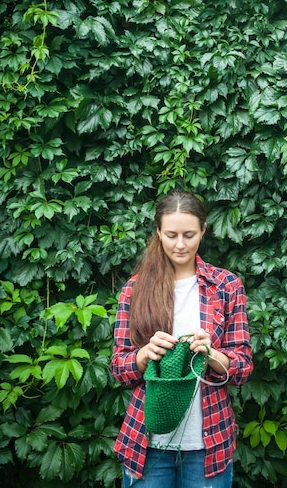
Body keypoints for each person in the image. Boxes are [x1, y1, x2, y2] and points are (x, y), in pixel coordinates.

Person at [111, 190, 253, 488]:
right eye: (171, 234)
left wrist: (211, 353)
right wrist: (144, 354)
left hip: (209, 443)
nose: (179, 244)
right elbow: (119, 368)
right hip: (147, 443)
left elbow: (242, 367)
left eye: (189, 234)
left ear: (203, 230)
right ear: (158, 233)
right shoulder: (135, 290)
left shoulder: (226, 286)